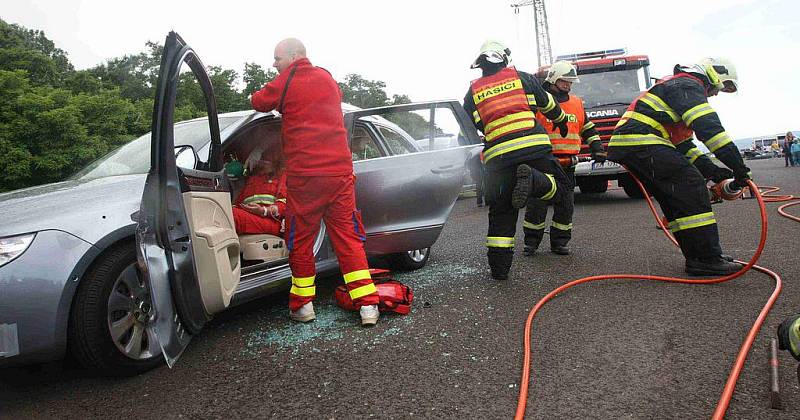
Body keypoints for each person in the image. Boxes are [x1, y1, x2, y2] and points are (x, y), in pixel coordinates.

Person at [250, 38, 380, 326]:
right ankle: (368, 306)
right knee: (348, 238)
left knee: (300, 239)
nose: (274, 64)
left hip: (306, 178)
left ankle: (303, 305)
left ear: (295, 56)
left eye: (277, 58)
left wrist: (251, 96)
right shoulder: (326, 77)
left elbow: (260, 102)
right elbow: (332, 98)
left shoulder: (287, 79)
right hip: (340, 175)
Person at [608, 57, 751, 276]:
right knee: (692, 188)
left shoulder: (676, 87)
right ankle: (706, 258)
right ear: (714, 75)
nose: (715, 95)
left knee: (676, 197)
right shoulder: (688, 84)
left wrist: (715, 171)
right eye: (720, 89)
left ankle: (699, 257)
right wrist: (739, 168)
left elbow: (684, 146)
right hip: (642, 141)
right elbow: (710, 131)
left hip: (634, 144)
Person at [462, 40, 570, 280]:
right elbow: (549, 104)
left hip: (497, 159)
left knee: (501, 210)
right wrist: (561, 120)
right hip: (533, 148)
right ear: (505, 59)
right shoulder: (522, 78)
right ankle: (533, 181)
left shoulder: (473, 93)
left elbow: (468, 127)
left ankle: (499, 268)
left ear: (480, 65)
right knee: (561, 189)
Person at [522, 61, 605, 256]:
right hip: (543, 161)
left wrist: (597, 147)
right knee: (537, 204)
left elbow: (587, 128)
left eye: (570, 82)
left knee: (565, 205)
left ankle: (560, 242)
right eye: (564, 81)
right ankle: (531, 243)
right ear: (553, 79)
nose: (568, 85)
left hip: (568, 164)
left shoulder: (576, 103)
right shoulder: (540, 101)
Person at [231, 148, 286, 236]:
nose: (262, 162)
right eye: (261, 159)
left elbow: (285, 205)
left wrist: (263, 210)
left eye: (266, 160)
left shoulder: (281, 177)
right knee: (225, 212)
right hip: (249, 216)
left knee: (232, 216)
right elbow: (238, 202)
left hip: (270, 221)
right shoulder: (252, 179)